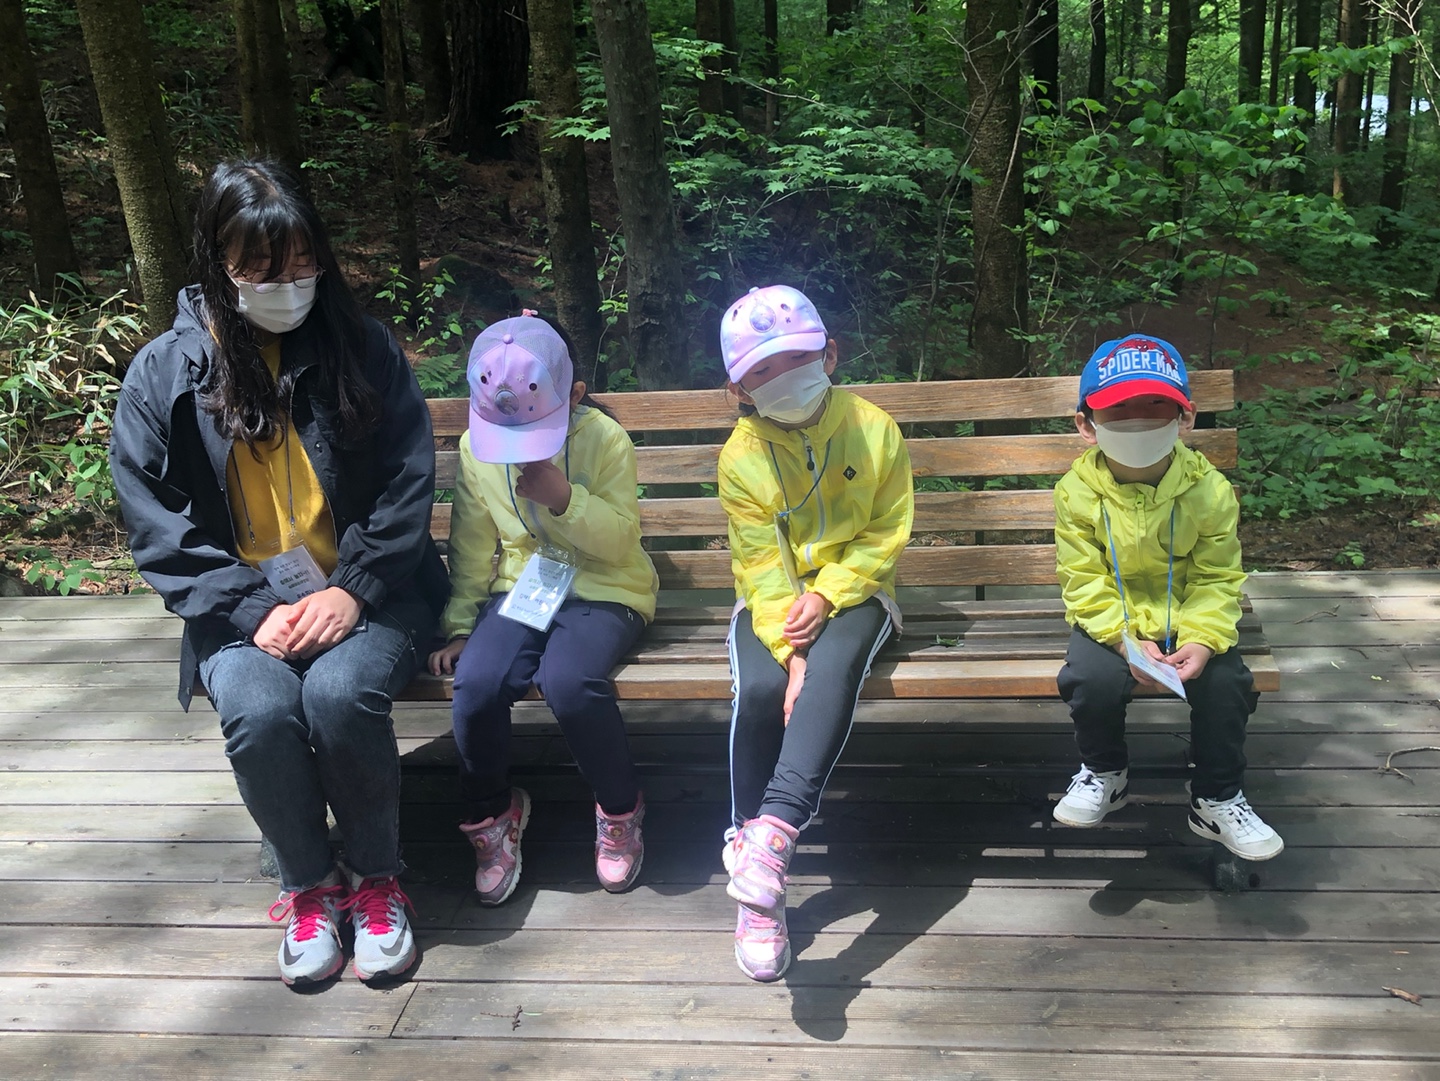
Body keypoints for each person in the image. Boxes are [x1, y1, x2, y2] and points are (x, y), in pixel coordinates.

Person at [109, 160, 448, 987]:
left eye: (301, 264)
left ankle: (376, 879)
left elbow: (409, 479)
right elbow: (155, 519)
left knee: (339, 692)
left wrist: (353, 587)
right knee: (258, 709)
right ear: (218, 261)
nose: (287, 285)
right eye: (261, 269)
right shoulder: (164, 371)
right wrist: (248, 606)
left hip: (375, 594)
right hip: (238, 610)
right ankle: (309, 885)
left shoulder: (360, 347)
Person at [716, 285, 914, 982]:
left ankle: (771, 838)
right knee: (762, 689)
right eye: (763, 370)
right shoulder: (740, 456)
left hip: (858, 591)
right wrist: (789, 648)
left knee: (833, 667)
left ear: (830, 354)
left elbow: (886, 531)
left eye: (797, 359)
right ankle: (757, 888)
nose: (784, 377)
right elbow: (760, 565)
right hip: (773, 602)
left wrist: (830, 593)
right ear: (739, 389)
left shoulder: (874, 427)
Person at [428, 313, 657, 905]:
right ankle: (492, 814)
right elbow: (472, 542)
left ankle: (619, 809)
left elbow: (622, 541)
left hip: (607, 588)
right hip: (523, 587)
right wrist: (461, 626)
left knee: (569, 680)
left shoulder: (605, 439)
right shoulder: (476, 446)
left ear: (574, 395)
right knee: (477, 681)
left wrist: (565, 501)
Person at [1052, 334, 1283, 861]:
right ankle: (1105, 772)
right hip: (1113, 624)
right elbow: (1082, 577)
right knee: (1089, 679)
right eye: (1119, 408)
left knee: (1227, 684)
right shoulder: (1075, 492)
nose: (1138, 420)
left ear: (1185, 417)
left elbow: (1217, 576)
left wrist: (1203, 638)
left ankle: (1217, 798)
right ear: (1086, 425)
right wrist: (1121, 639)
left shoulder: (1209, 489)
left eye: (1156, 405)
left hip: (1191, 616)